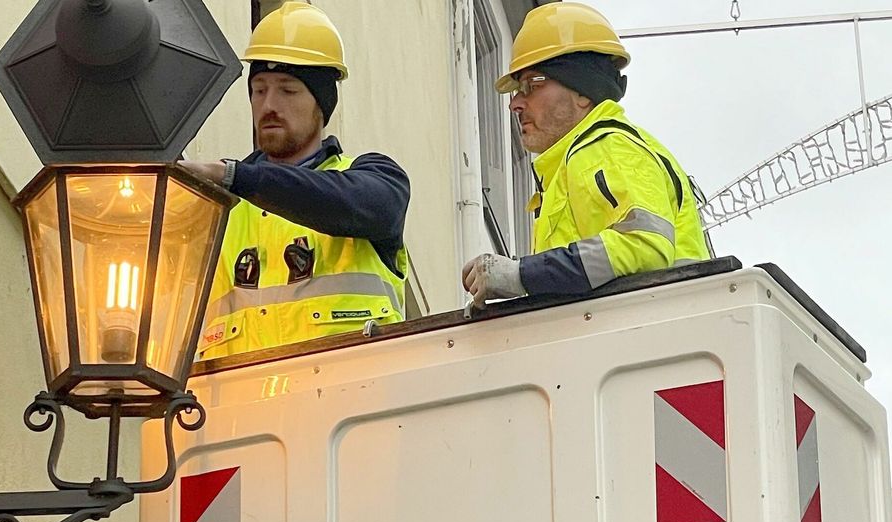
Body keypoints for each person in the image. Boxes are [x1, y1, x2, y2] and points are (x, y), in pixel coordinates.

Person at [181, 2, 409, 358]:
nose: (269, 105)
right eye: (259, 90)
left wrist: (235, 176)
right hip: (238, 410)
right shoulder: (218, 208)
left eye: (287, 90)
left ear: (322, 104)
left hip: (354, 404)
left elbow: (356, 204)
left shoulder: (376, 180)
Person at [462, 2, 710, 307]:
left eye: (531, 85)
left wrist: (522, 275)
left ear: (582, 92)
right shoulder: (570, 167)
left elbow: (645, 245)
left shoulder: (605, 145)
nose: (515, 104)